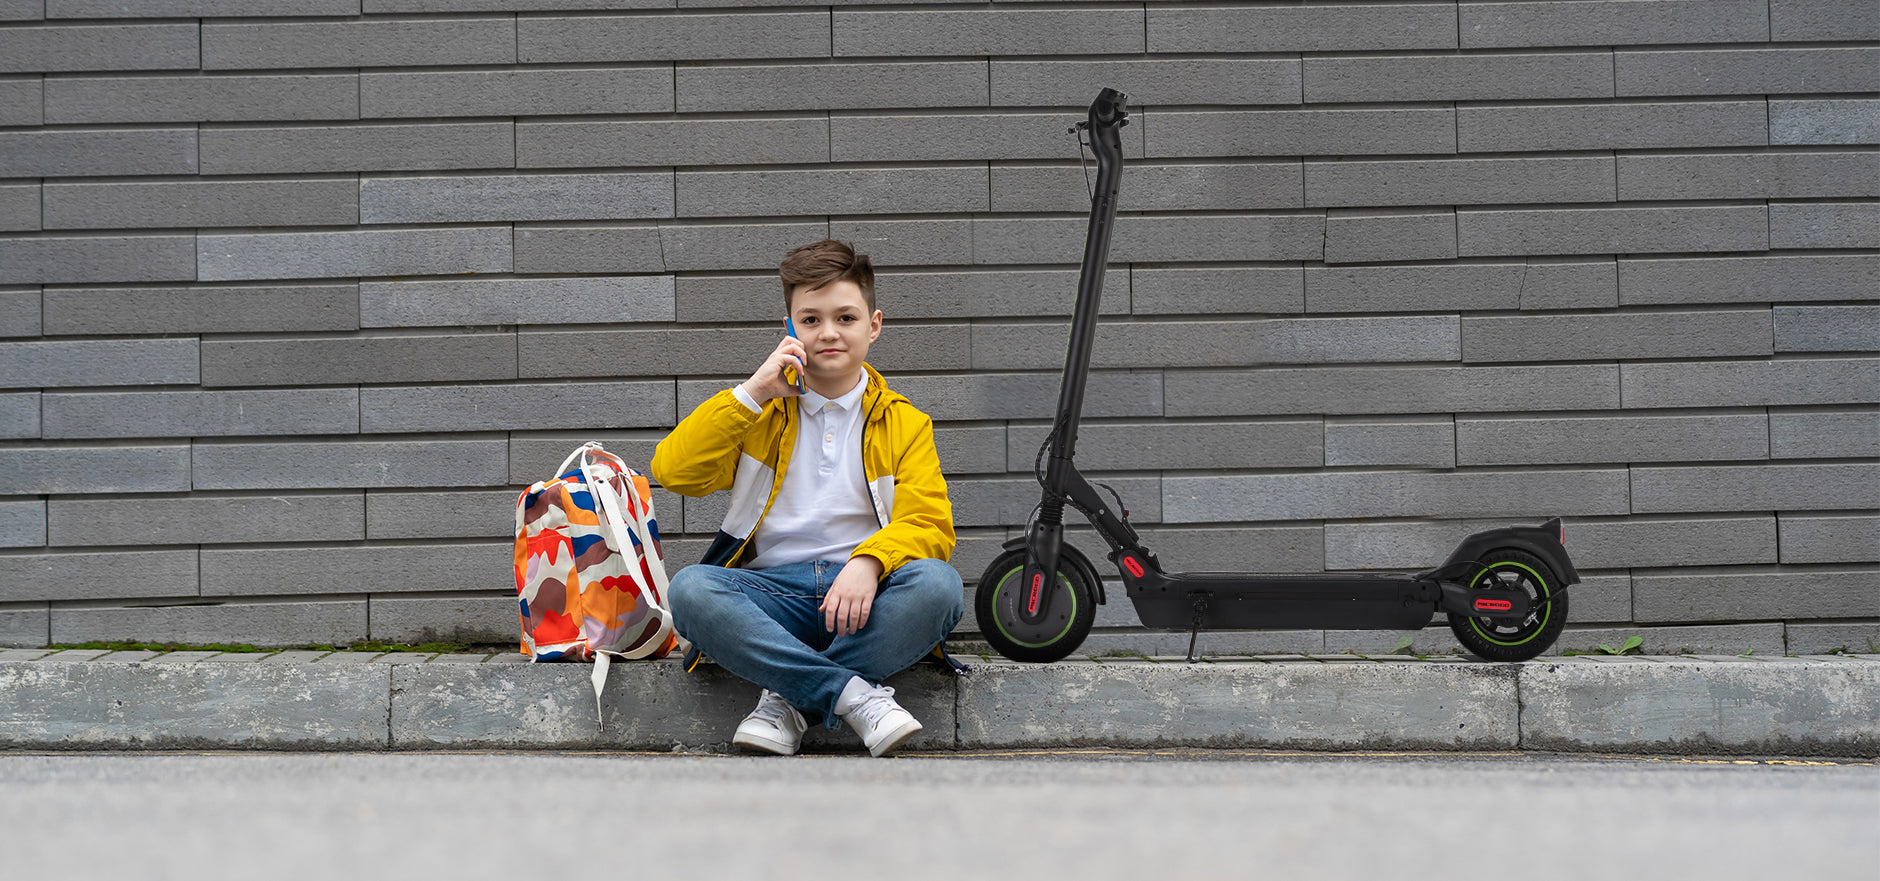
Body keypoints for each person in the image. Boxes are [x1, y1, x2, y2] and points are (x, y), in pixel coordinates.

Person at [651, 239, 964, 757]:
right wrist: (751, 392)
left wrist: (869, 561)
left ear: (874, 325)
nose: (829, 333)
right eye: (811, 319)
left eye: (845, 317)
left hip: (868, 595)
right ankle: (853, 696)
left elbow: (930, 526)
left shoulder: (905, 423)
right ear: (789, 328)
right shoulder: (761, 414)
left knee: (939, 587)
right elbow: (674, 471)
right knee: (691, 590)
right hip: (772, 597)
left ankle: (786, 696)